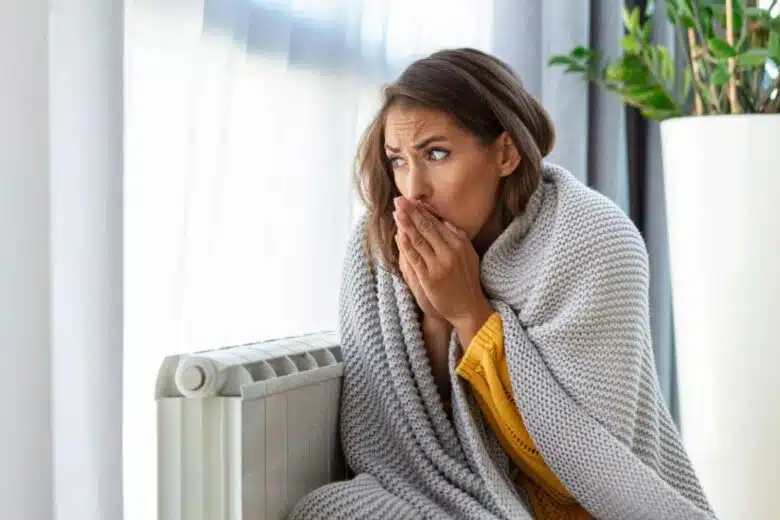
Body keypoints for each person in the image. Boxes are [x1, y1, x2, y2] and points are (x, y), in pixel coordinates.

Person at [288, 48, 715, 520]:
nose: (413, 190)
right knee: (326, 508)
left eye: (436, 154)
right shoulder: (380, 247)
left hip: (577, 507)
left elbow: (588, 473)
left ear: (506, 153)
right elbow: (406, 447)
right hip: (457, 494)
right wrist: (434, 316)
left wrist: (470, 312)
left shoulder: (594, 238)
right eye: (398, 161)